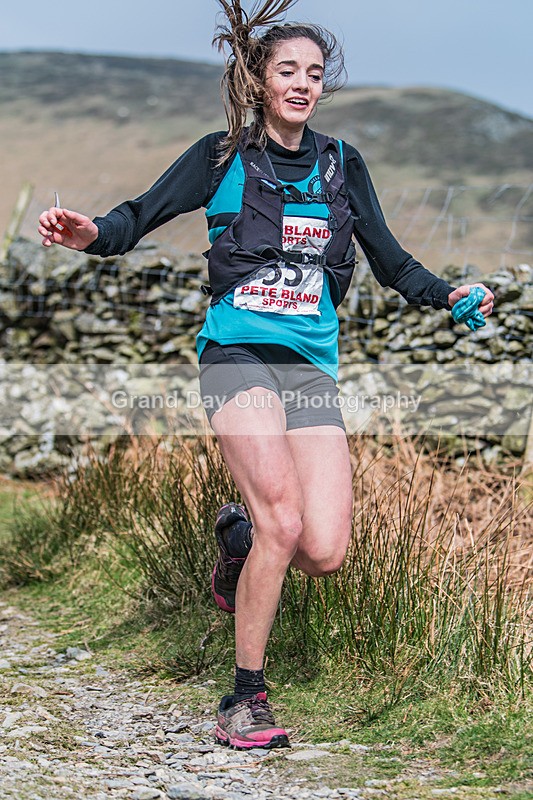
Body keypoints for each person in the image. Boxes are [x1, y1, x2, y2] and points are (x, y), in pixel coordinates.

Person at [38, 0, 494, 751]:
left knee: (322, 551)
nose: (302, 84)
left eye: (314, 74)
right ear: (257, 76)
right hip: (236, 357)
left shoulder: (340, 164)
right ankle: (242, 699)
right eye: (287, 69)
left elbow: (391, 259)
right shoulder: (221, 157)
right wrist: (89, 232)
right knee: (286, 520)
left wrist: (447, 293)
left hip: (310, 367)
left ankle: (238, 533)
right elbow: (133, 219)